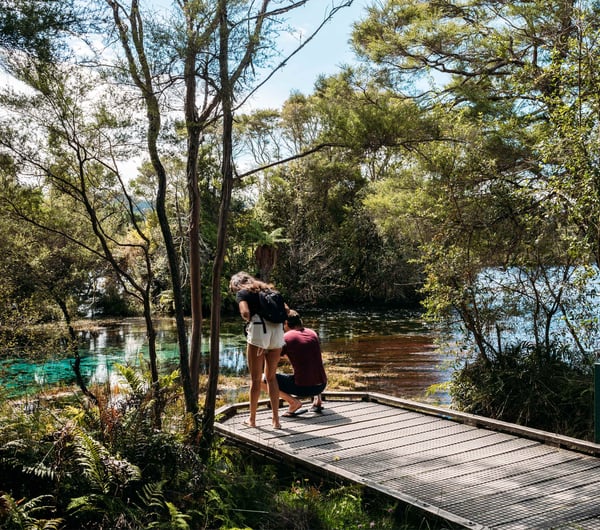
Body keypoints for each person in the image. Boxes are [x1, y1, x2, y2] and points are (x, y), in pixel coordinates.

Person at [230, 271, 287, 429]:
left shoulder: (243, 293)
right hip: (277, 332)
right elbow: (287, 311)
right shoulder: (270, 291)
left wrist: (250, 324)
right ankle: (276, 421)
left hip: (259, 331)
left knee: (255, 380)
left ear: (236, 285)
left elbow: (245, 312)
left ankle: (252, 420)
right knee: (271, 377)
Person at [269, 310, 327, 417]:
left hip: (303, 388)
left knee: (263, 379)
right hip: (321, 385)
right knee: (313, 362)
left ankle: (293, 403)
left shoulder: (287, 337)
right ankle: (317, 400)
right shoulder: (312, 333)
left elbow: (273, 358)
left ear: (286, 323)